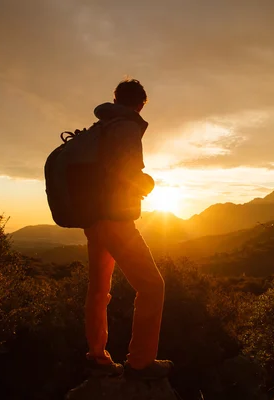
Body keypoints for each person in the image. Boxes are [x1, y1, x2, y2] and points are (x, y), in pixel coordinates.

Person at [83, 79, 173, 380]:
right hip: (116, 220)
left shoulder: (101, 128)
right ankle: (141, 363)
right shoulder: (127, 127)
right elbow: (125, 172)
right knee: (152, 286)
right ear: (139, 104)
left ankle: (97, 356)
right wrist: (146, 183)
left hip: (93, 220)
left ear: (116, 98)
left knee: (98, 290)